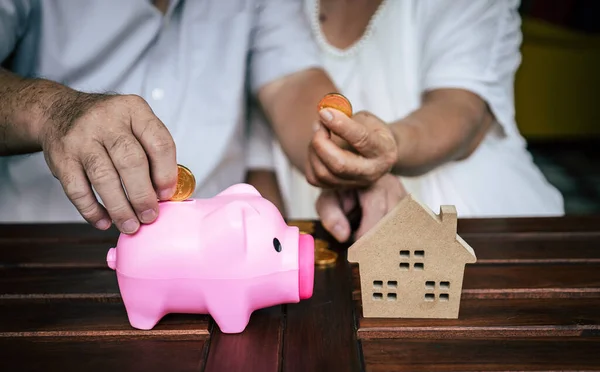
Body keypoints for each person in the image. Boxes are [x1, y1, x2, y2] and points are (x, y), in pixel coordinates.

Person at [0, 0, 341, 234]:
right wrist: (53, 111)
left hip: (213, 259)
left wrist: (339, 147)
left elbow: (292, 81)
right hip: (48, 252)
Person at [247, 0, 565, 243]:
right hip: (320, 221)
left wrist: (380, 149)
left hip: (468, 223)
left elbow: (460, 111)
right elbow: (282, 94)